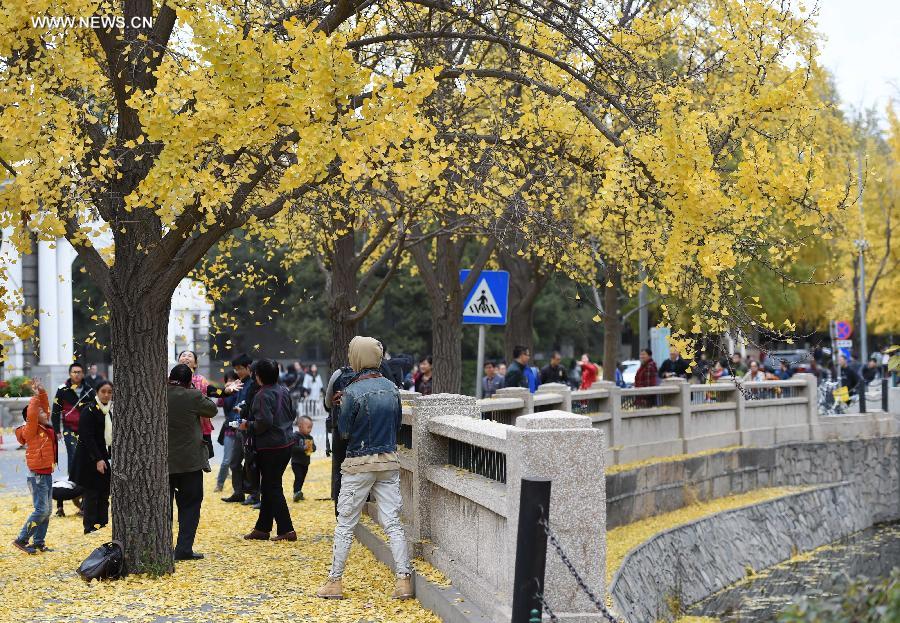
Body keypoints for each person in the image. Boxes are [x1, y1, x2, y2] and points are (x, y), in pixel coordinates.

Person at [317, 336, 412, 601]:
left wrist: (341, 405)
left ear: (357, 357)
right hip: (388, 461)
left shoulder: (352, 392)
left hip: (358, 464)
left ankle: (334, 582)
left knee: (345, 524)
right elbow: (396, 425)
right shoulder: (393, 389)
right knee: (392, 522)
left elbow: (344, 431)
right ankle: (404, 581)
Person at [242, 359, 297, 542]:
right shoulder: (284, 390)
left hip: (271, 446)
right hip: (286, 443)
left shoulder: (262, 395)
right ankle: (262, 528)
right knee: (269, 485)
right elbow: (292, 414)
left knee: (272, 487)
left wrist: (246, 425)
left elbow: (263, 423)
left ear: (258, 376)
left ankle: (287, 529)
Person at [167, 364, 216, 561]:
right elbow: (211, 409)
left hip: (164, 463)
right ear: (189, 381)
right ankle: (184, 548)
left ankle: (162, 546)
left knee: (164, 507)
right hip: (190, 462)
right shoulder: (193, 396)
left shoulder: (159, 394)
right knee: (190, 506)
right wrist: (195, 390)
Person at [12, 379, 55, 554]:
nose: (46, 414)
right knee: (41, 509)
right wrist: (35, 397)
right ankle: (21, 539)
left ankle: (38, 542)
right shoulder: (31, 430)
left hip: (47, 473)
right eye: (41, 413)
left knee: (47, 510)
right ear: (33, 417)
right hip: (37, 475)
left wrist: (42, 393)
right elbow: (32, 413)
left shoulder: (44, 426)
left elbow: (45, 407)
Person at [72, 380, 113, 534]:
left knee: (104, 493)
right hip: (90, 458)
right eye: (103, 391)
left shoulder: (109, 411)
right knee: (91, 494)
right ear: (97, 392)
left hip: (104, 456)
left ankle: (102, 525)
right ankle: (89, 528)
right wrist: (97, 459)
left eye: (109, 392)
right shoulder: (89, 410)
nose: (106, 395)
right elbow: (87, 437)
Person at [222, 354, 258, 505]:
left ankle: (254, 493)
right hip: (237, 427)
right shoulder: (240, 383)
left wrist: (241, 409)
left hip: (248, 427)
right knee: (235, 462)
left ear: (248, 367)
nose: (237, 372)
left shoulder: (253, 384)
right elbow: (230, 403)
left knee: (251, 463)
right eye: (235, 369)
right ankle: (238, 492)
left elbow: (250, 406)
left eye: (240, 369)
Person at [324, 363, 357, 515]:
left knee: (340, 471)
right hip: (363, 431)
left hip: (341, 431)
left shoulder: (339, 373)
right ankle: (361, 510)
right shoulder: (375, 375)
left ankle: (340, 512)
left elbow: (327, 403)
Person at [52, 362, 92, 479]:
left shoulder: (88, 390)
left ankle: (84, 481)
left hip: (86, 429)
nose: (77, 375)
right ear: (70, 374)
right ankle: (73, 481)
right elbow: (56, 410)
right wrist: (57, 430)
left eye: (79, 372)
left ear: (83, 374)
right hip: (69, 428)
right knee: (73, 455)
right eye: (74, 372)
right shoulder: (62, 389)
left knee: (86, 456)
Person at [178, 350, 215, 459]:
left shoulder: (201, 380)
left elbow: (212, 391)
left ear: (195, 364)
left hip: (201, 427)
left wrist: (226, 391)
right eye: (183, 355)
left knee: (201, 458)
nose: (186, 358)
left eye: (189, 356)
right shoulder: (171, 380)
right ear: (178, 361)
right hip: (180, 427)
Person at [215, 370, 241, 493]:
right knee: (227, 460)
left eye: (232, 380)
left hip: (241, 428)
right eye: (227, 380)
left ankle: (241, 487)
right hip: (229, 429)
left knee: (240, 461)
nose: (229, 382)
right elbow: (219, 403)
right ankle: (220, 484)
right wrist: (225, 392)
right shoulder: (225, 394)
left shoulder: (241, 392)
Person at [291, 415, 316, 502]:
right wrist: (303, 448)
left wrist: (311, 447)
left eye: (311, 427)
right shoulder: (295, 436)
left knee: (302, 478)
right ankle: (296, 492)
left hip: (305, 462)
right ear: (300, 426)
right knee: (298, 476)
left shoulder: (310, 437)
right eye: (308, 427)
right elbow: (293, 448)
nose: (310, 429)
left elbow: (314, 448)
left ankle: (299, 492)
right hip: (296, 462)